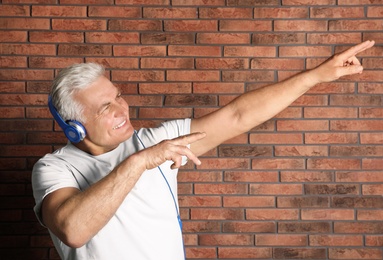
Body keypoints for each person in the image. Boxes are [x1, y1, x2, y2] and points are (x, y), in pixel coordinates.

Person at [32, 40, 375, 260]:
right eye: (105, 108)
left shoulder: (160, 141)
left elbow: (238, 115)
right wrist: (138, 163)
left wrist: (316, 76)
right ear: (74, 127)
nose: (122, 109)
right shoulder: (53, 169)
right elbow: (73, 230)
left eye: (118, 96)